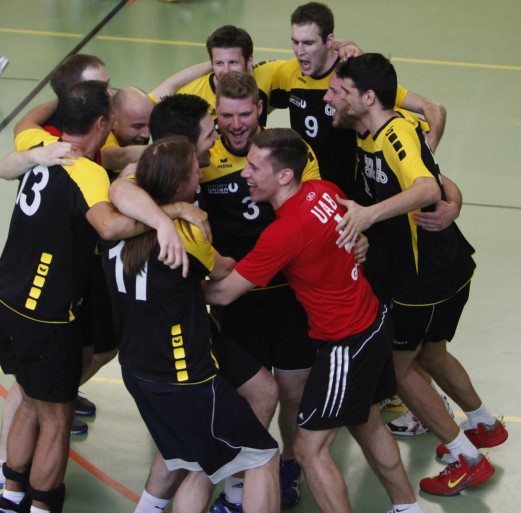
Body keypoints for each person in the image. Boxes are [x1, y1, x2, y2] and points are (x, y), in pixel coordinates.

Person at [203, 127, 427, 513]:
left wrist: (176, 289)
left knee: (308, 450)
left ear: (284, 175)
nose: (245, 174)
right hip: (373, 323)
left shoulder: (284, 232)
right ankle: (409, 508)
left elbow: (223, 294)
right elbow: (348, 236)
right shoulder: (323, 190)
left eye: (254, 168)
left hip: (346, 343)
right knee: (367, 423)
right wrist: (360, 244)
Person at [331, 53, 507, 496]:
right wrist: (451, 200)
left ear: (368, 98)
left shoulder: (394, 134)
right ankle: (484, 424)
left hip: (422, 279)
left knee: (398, 371)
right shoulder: (376, 131)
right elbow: (435, 172)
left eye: (342, 92)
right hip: (443, 268)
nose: (333, 98)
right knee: (431, 354)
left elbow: (427, 185)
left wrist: (367, 215)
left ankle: (468, 459)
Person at [0, 80, 172, 513]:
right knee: (56, 419)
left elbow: (25, 125)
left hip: (9, 301)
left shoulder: (40, 146)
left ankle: (11, 495)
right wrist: (168, 216)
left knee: (30, 400)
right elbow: (110, 227)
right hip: (48, 317)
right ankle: (42, 506)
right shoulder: (86, 171)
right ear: (101, 123)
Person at [103, 135, 280, 513]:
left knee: (197, 457)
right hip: (184, 376)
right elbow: (223, 270)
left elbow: (123, 181)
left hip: (139, 365)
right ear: (179, 185)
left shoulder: (118, 221)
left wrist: (176, 209)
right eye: (194, 171)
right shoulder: (187, 235)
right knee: (263, 458)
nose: (201, 174)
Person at [200, 71, 319, 511]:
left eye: (244, 114)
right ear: (216, 113)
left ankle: (288, 467)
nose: (236, 124)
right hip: (237, 298)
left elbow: (315, 202)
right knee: (248, 395)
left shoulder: (283, 151)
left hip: (291, 296)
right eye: (227, 115)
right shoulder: (204, 157)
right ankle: (240, 480)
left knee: (292, 391)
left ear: (260, 109)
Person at [269, 2, 446, 198]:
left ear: (328, 41)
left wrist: (428, 149)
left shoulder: (356, 77)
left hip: (351, 193)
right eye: (295, 42)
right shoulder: (288, 73)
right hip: (312, 192)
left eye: (308, 43)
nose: (299, 51)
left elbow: (432, 107)